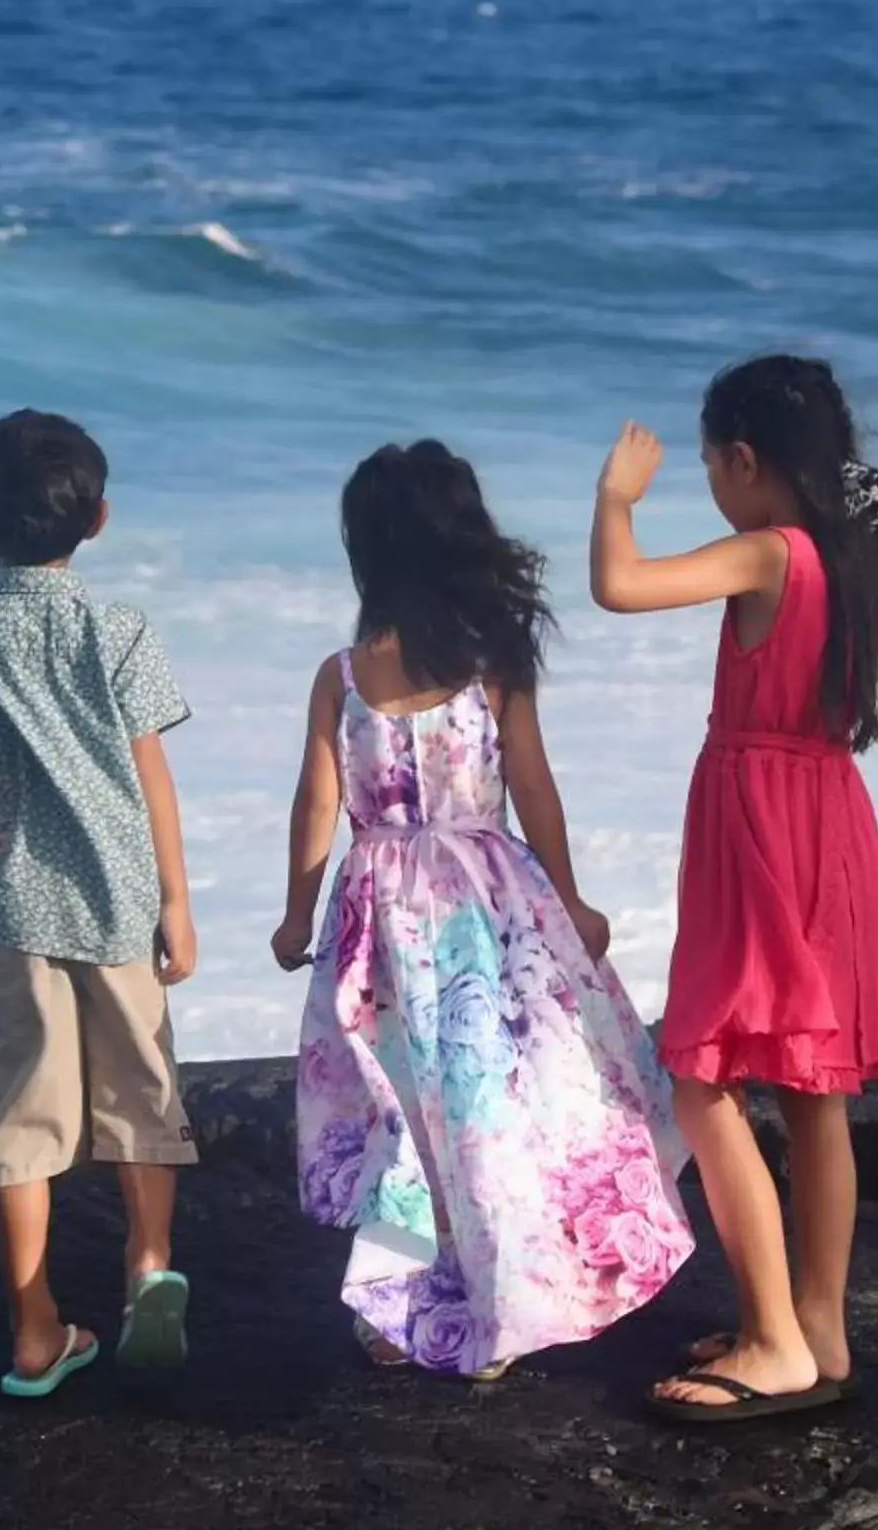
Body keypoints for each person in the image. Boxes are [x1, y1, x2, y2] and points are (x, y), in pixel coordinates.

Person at [587, 355, 878, 1423]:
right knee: (813, 1090)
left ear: (745, 461)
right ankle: (818, 1326)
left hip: (757, 826)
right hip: (830, 819)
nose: (710, 480)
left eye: (710, 463)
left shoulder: (768, 550)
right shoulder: (849, 555)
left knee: (704, 1078)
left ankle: (769, 1340)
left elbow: (621, 585)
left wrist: (616, 499)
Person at [274, 441, 693, 1379]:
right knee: (489, 1108)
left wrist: (298, 915)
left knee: (401, 1114)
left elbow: (314, 807)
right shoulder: (493, 664)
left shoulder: (341, 676)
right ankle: (503, 1296)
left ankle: (396, 1309)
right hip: (488, 911)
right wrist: (572, 897)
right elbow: (534, 788)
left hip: (376, 919)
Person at [0, 409, 200, 1400]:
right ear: (98, 517)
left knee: (21, 1117)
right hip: (119, 896)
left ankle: (34, 1327)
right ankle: (149, 1263)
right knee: (141, 1093)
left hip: (13, 901)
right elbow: (153, 777)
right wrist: (178, 903)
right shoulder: (121, 628)